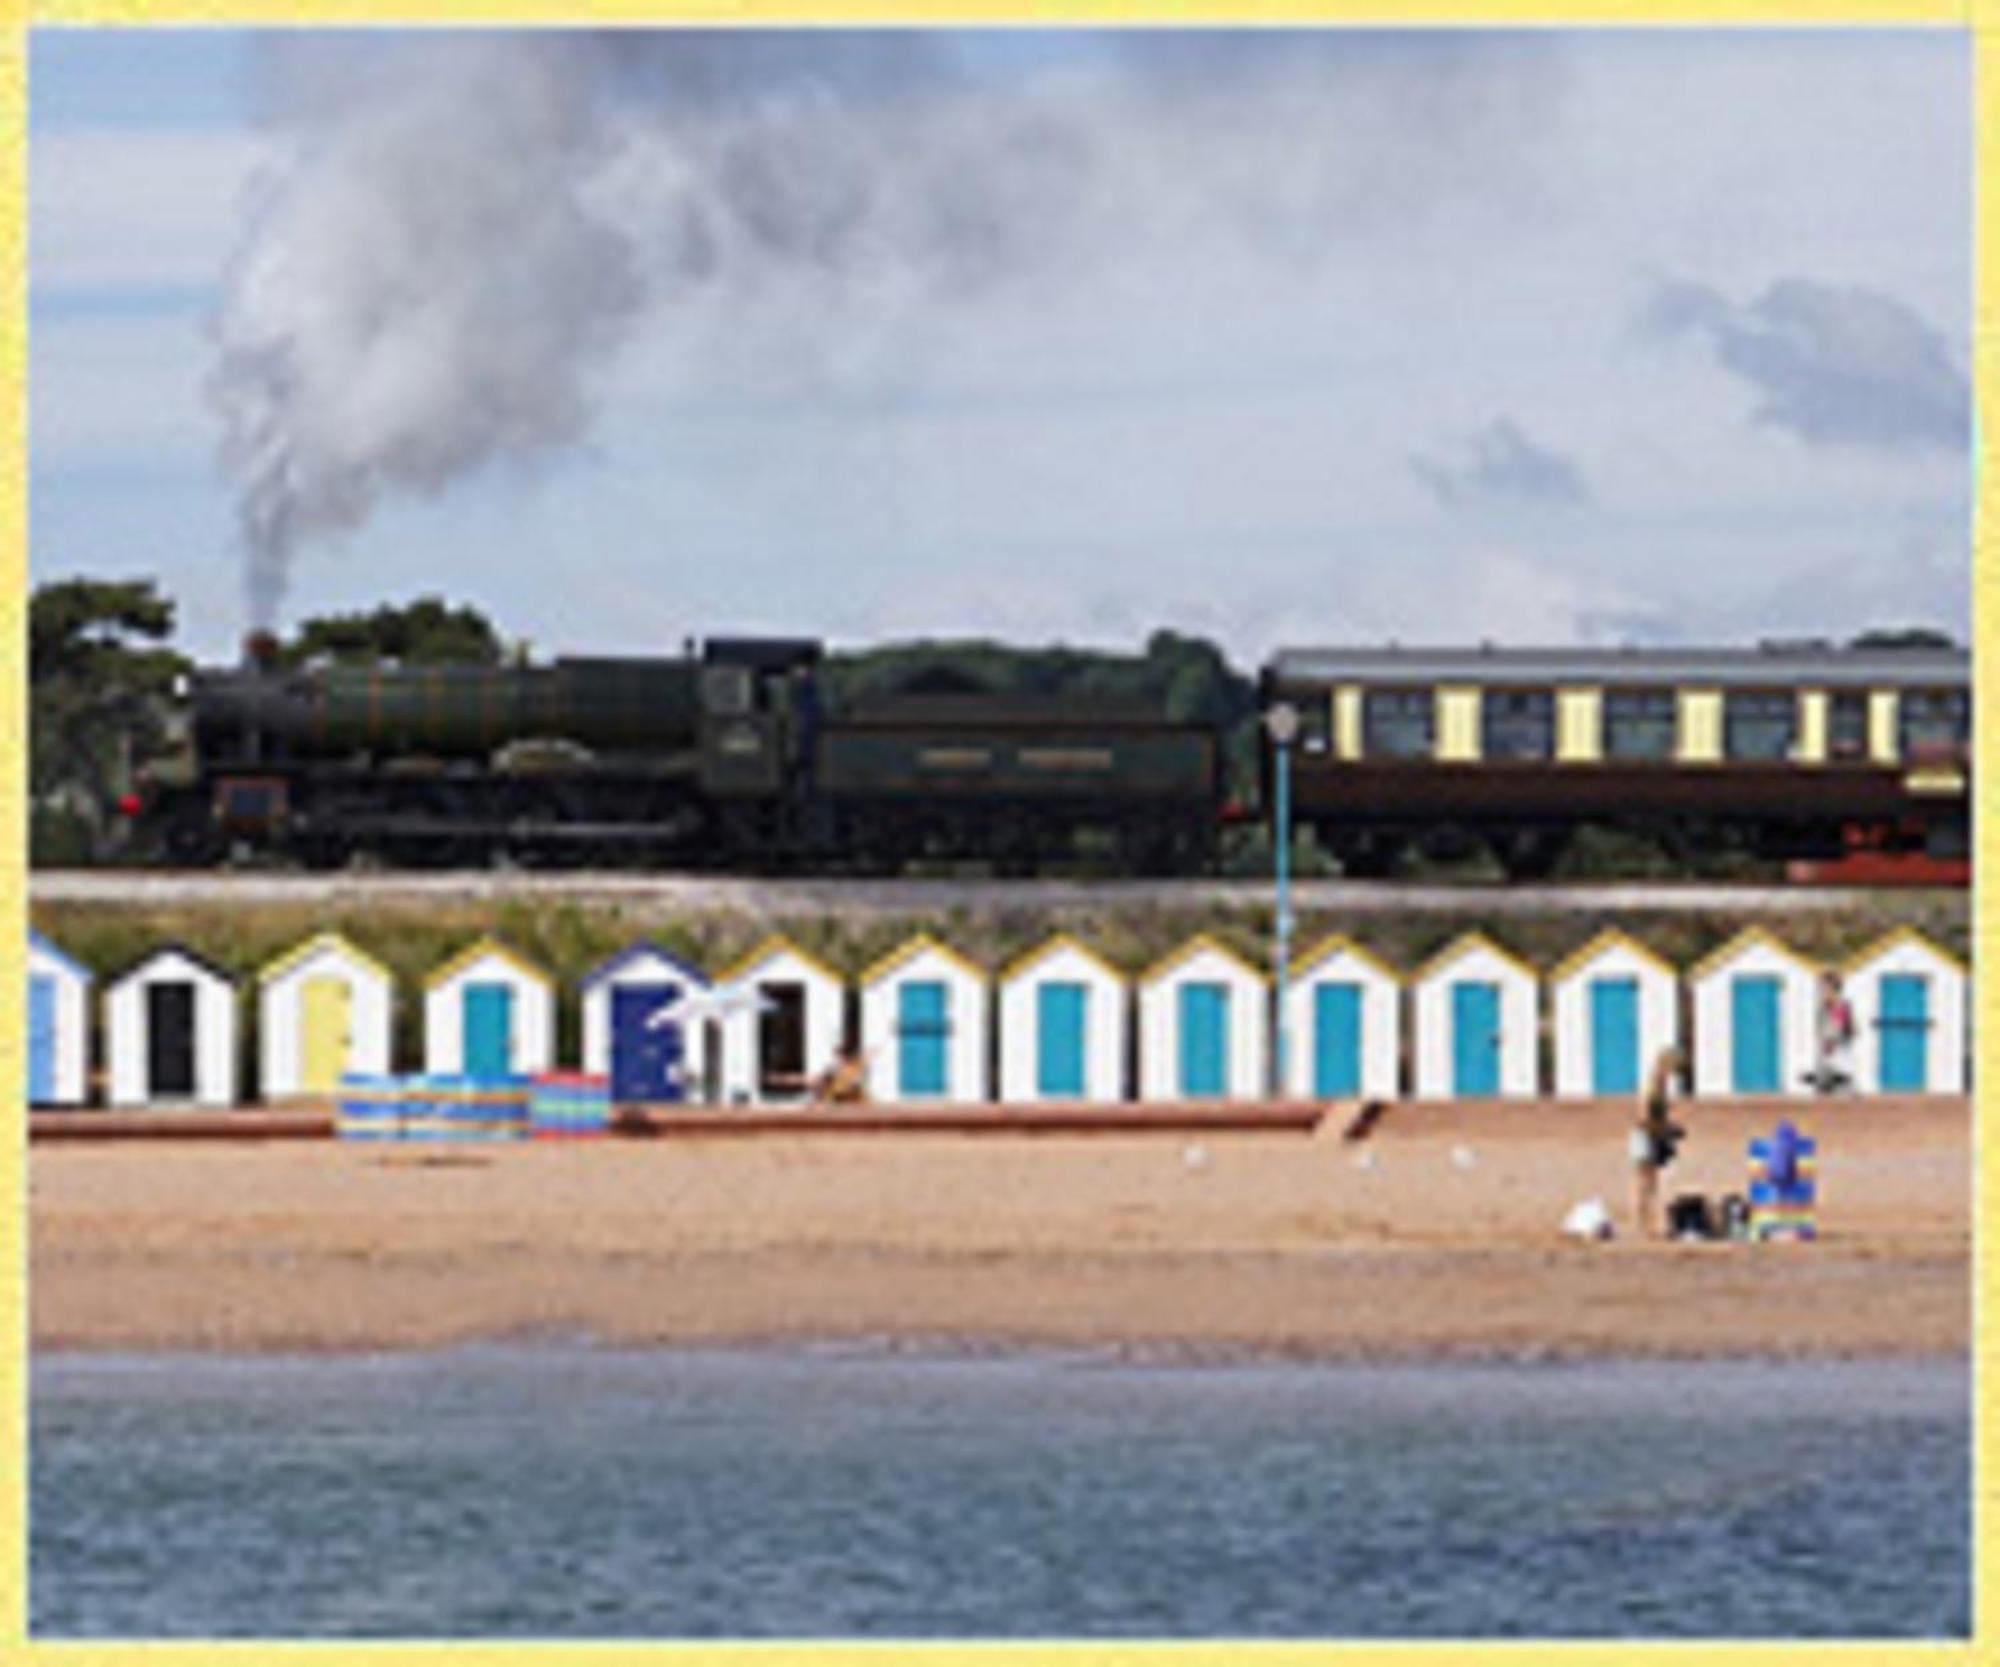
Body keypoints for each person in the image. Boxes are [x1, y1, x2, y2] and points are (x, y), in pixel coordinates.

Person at [1629, 1046, 1687, 1240]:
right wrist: (1664, 1130)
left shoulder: (1656, 1087)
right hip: (1646, 1138)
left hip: (1646, 1136)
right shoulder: (1654, 1088)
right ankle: (1645, 1226)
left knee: (1648, 1184)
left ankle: (1647, 1224)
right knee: (1646, 1185)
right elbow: (1645, 1117)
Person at [1815, 970, 1856, 1094]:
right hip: (1835, 1034)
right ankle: (1831, 1086)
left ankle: (1844, 1086)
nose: (1822, 989)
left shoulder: (1836, 1002)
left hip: (1836, 1035)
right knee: (1831, 1061)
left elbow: (1838, 1019)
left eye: (1825, 986)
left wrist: (1832, 1037)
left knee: (1836, 1060)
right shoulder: (1833, 1002)